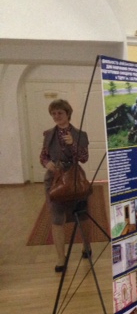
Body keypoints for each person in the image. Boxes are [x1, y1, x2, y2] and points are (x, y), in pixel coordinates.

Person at [39, 99, 91, 273]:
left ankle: (87, 246)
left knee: (82, 214)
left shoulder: (80, 134)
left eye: (60, 113)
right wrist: (47, 163)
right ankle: (61, 257)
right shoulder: (48, 134)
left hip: (75, 179)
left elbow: (84, 158)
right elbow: (43, 156)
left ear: (68, 114)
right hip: (54, 180)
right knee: (56, 217)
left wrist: (73, 144)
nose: (56, 116)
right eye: (53, 113)